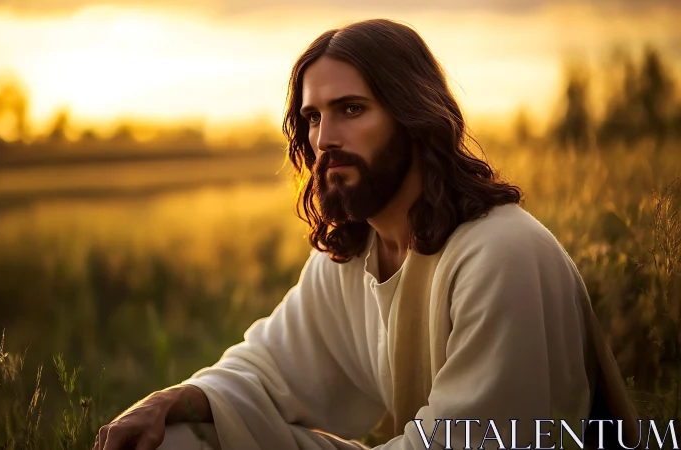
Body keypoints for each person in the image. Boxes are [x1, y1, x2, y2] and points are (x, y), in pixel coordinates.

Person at [93, 18, 638, 450]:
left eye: (351, 109)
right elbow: (267, 370)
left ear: (413, 116)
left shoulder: (500, 253)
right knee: (179, 438)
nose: (325, 138)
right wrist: (172, 400)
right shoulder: (354, 255)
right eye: (312, 117)